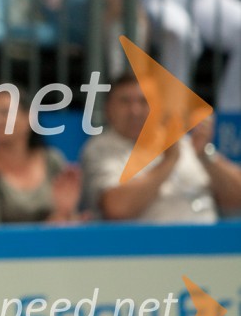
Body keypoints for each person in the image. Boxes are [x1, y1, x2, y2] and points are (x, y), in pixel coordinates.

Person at [81, 73, 241, 222]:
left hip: (211, 244)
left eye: (144, 101)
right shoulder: (101, 148)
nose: (135, 111)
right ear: (108, 108)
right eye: (125, 101)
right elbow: (117, 208)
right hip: (150, 248)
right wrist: (168, 162)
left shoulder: (186, 143)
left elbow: (236, 199)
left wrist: (205, 156)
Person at [0, 88, 84, 224]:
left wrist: (66, 214)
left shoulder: (52, 160)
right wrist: (53, 223)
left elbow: (66, 222)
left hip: (53, 244)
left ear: (28, 117)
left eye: (4, 112)